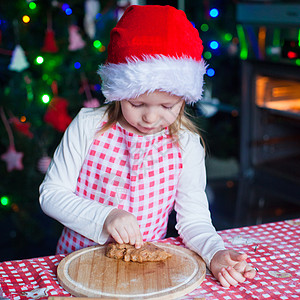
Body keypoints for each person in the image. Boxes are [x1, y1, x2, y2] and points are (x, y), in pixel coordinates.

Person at [39, 5, 256, 288]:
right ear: (118, 92)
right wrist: (106, 216)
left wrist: (215, 252)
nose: (151, 118)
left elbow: (193, 218)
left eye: (168, 106)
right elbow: (51, 195)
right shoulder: (87, 126)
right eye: (137, 103)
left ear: (184, 98)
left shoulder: (186, 144)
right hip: (78, 268)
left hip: (142, 276)